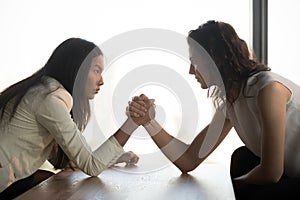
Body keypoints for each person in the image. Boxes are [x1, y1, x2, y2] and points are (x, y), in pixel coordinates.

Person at [128, 20, 300, 199]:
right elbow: (189, 159)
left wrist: (228, 188)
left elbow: (271, 173)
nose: (190, 71)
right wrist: (149, 122)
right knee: (242, 158)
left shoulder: (268, 90)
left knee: (244, 164)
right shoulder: (232, 101)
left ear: (215, 60)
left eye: (195, 62)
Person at [0, 38, 140, 199]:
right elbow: (91, 166)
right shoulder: (51, 99)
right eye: (96, 70)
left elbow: (62, 160)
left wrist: (111, 158)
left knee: (52, 181)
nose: (101, 81)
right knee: (58, 188)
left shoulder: (38, 90)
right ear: (76, 70)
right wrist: (132, 123)